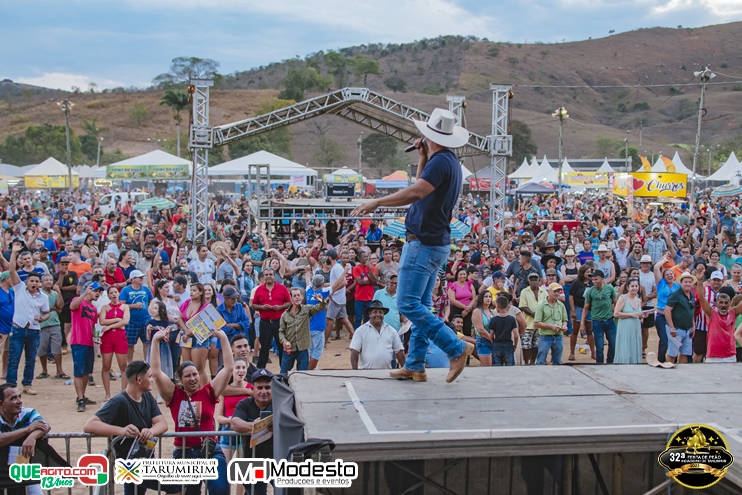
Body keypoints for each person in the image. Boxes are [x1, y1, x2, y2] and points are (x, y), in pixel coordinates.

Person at [351, 108, 473, 383]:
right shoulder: (447, 161)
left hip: (423, 243)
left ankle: (455, 347)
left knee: (407, 304)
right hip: (435, 242)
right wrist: (423, 157)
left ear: (431, 135)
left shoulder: (440, 162)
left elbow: (416, 192)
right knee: (422, 307)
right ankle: (416, 363)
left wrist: (377, 202)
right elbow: (422, 188)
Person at [150, 328, 233, 495]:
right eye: (187, 376)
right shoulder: (174, 395)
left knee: (220, 489)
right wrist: (155, 341)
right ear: (180, 379)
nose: (193, 378)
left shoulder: (208, 392)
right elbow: (156, 372)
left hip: (210, 451)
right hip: (184, 453)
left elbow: (228, 368)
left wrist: (223, 337)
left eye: (195, 374)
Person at [83, 361, 180, 495]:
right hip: (129, 465)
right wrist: (120, 430)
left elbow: (162, 423)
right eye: (149, 376)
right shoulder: (119, 401)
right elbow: (90, 425)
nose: (152, 380)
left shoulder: (147, 396)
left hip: (144, 459)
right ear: (139, 380)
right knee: (176, 485)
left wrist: (150, 431)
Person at [6, 243, 50, 396]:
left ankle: (27, 384)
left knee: (30, 359)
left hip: (33, 330)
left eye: (37, 281)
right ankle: (11, 386)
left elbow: (47, 313)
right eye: (32, 281)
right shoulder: (19, 288)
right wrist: (14, 253)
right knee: (14, 359)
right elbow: (12, 270)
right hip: (18, 328)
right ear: (27, 281)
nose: (34, 283)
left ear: (40, 283)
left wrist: (43, 318)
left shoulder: (43, 297)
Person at [230, 369, 273, 495]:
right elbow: (234, 423)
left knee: (287, 490)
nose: (264, 391)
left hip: (277, 461)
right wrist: (256, 426)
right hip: (252, 462)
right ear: (252, 389)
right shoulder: (245, 404)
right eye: (259, 388)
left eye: (267, 387)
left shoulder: (280, 403)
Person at [214, 357, 251, 489]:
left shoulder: (251, 388)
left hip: (246, 433)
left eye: (243, 368)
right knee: (225, 470)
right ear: (232, 370)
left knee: (242, 473)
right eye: (237, 368)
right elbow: (219, 417)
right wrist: (232, 420)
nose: (241, 371)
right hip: (228, 432)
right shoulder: (225, 390)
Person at [694, 265, 742, 363]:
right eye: (721, 302)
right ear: (716, 303)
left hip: (730, 356)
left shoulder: (733, 313)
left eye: (726, 303)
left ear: (729, 304)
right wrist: (699, 281)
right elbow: (701, 297)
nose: (723, 305)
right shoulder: (711, 313)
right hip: (713, 356)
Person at [0, 383, 51, 474]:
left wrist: (32, 437)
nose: (19, 401)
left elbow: (45, 425)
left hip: (22, 472)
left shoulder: (27, 412)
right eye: (13, 398)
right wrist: (26, 430)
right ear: (1, 403)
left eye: (19, 397)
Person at [70, 282, 104, 412]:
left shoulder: (93, 308)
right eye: (96, 291)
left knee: (86, 371)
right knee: (79, 372)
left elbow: (93, 326)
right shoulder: (78, 301)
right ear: (89, 290)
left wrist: (96, 337)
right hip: (78, 341)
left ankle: (82, 396)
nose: (98, 294)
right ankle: (80, 399)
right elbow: (72, 306)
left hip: (89, 342)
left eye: (99, 292)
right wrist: (84, 293)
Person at [279, 288, 327, 373]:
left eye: (298, 295)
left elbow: (322, 307)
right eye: (294, 296)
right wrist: (284, 341)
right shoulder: (285, 315)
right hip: (289, 348)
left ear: (302, 297)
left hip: (303, 349)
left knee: (303, 374)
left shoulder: (307, 309)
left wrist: (321, 299)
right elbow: (281, 331)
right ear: (291, 299)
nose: (297, 297)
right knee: (283, 373)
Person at [251, 267, 290, 369]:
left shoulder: (282, 288)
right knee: (264, 348)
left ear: (274, 276)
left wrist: (280, 307)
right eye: (266, 275)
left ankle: (284, 370)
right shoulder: (259, 289)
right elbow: (253, 305)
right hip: (265, 322)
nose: (268, 276)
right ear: (264, 276)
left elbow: (289, 302)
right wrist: (262, 307)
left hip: (279, 322)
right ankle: (260, 371)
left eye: (270, 274)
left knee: (281, 347)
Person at [349, 300, 405, 370]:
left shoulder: (392, 331)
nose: (378, 314)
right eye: (374, 312)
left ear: (383, 314)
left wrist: (404, 369)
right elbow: (354, 351)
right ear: (369, 314)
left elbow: (399, 351)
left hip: (386, 372)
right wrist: (354, 371)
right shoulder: (361, 331)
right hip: (366, 373)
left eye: (380, 312)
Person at [98, 286, 130, 403]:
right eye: (111, 293)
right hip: (108, 338)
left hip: (120, 336)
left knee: (123, 366)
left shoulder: (125, 307)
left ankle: (124, 392)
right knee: (106, 365)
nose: (114, 294)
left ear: (118, 293)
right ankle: (108, 394)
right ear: (108, 295)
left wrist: (110, 326)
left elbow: (125, 321)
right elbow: (102, 321)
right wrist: (117, 320)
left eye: (115, 292)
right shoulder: (105, 307)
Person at [582, 269, 617, 364]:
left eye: (596, 279)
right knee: (599, 346)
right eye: (593, 279)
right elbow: (586, 308)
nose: (594, 281)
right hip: (597, 321)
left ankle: (610, 361)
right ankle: (600, 364)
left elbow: (616, 302)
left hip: (609, 320)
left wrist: (616, 313)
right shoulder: (590, 292)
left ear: (602, 279)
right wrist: (582, 323)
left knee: (613, 343)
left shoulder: (609, 288)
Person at [120, 270, 153, 364]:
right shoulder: (125, 290)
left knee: (147, 343)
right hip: (131, 321)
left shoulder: (146, 289)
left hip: (146, 320)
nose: (142, 278)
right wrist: (133, 306)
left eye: (142, 277)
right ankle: (129, 363)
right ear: (133, 279)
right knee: (130, 345)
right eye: (140, 277)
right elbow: (121, 305)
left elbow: (151, 301)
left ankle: (147, 363)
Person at [37, 274, 66, 380]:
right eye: (46, 280)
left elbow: (60, 306)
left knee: (57, 348)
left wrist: (59, 292)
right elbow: (41, 307)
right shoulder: (39, 293)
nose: (49, 282)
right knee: (42, 349)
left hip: (55, 323)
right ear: (41, 282)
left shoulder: (54, 293)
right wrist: (54, 308)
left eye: (50, 280)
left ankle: (59, 370)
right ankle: (44, 370)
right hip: (42, 325)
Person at [664, 272, 697, 364]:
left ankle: (683, 371)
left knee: (685, 353)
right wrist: (671, 327)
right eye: (685, 282)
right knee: (672, 354)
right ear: (681, 283)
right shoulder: (675, 295)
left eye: (689, 282)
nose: (688, 284)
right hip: (676, 329)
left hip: (688, 329)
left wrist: (693, 325)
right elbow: (667, 311)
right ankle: (668, 370)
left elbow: (691, 310)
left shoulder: (692, 295)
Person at [653, 256, 680, 363]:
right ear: (663, 277)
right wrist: (664, 260)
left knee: (673, 339)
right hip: (661, 316)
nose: (669, 275)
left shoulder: (678, 286)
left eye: (671, 274)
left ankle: (673, 360)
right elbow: (656, 268)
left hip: (674, 317)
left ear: (674, 276)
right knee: (664, 340)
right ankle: (661, 360)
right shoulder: (661, 284)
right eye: (667, 274)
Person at [533, 282, 568, 365]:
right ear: (549, 292)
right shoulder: (541, 305)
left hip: (558, 336)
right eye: (555, 291)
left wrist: (564, 326)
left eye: (558, 291)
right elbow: (536, 323)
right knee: (541, 360)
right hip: (545, 336)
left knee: (558, 361)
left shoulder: (561, 305)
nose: (557, 293)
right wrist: (550, 326)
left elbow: (564, 320)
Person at [613, 278, 644, 364]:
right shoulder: (623, 298)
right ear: (627, 287)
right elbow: (616, 314)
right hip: (625, 329)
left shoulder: (638, 300)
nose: (634, 288)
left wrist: (641, 316)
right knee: (625, 348)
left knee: (634, 346)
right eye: (632, 286)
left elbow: (639, 316)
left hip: (636, 329)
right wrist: (631, 314)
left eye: (636, 286)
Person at [325, 249, 353, 342]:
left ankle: (324, 342)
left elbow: (344, 282)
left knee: (329, 320)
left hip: (336, 298)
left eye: (326, 257)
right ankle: (355, 337)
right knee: (344, 319)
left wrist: (332, 291)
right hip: (340, 298)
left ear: (329, 257)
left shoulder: (336, 268)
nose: (325, 259)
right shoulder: (337, 267)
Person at [518, 272, 547, 365]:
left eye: (536, 280)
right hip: (528, 322)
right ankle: (526, 362)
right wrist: (532, 314)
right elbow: (522, 306)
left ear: (539, 281)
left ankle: (532, 361)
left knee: (536, 344)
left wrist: (539, 315)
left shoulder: (544, 291)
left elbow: (546, 304)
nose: (534, 282)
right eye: (532, 280)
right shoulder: (524, 291)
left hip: (540, 323)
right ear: (529, 281)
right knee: (526, 344)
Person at [489, 294, 519, 366]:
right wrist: (515, 345)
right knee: (510, 366)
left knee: (497, 367)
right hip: (508, 344)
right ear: (507, 306)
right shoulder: (511, 319)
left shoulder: (493, 320)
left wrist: (493, 342)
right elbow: (516, 335)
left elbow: (491, 335)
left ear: (497, 306)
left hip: (497, 344)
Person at [352, 251, 377, 329]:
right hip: (359, 297)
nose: (366, 258)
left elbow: (375, 281)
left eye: (367, 256)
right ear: (359, 258)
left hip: (369, 297)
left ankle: (367, 333)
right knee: (358, 318)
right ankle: (357, 333)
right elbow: (360, 282)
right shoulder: (356, 268)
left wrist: (369, 269)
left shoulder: (372, 268)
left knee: (368, 318)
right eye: (364, 257)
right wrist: (371, 281)